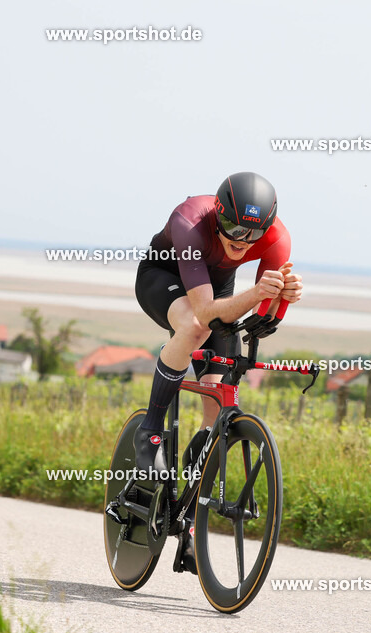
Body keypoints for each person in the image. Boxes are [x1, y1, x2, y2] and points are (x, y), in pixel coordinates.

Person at [133, 171, 303, 573]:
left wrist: (283, 299)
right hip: (165, 280)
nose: (240, 240)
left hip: (219, 294)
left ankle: (187, 517)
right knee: (194, 326)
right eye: (231, 227)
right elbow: (207, 313)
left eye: (252, 234)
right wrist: (261, 294)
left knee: (217, 406)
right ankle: (151, 430)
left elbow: (264, 314)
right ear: (219, 213)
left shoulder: (278, 237)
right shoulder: (189, 219)